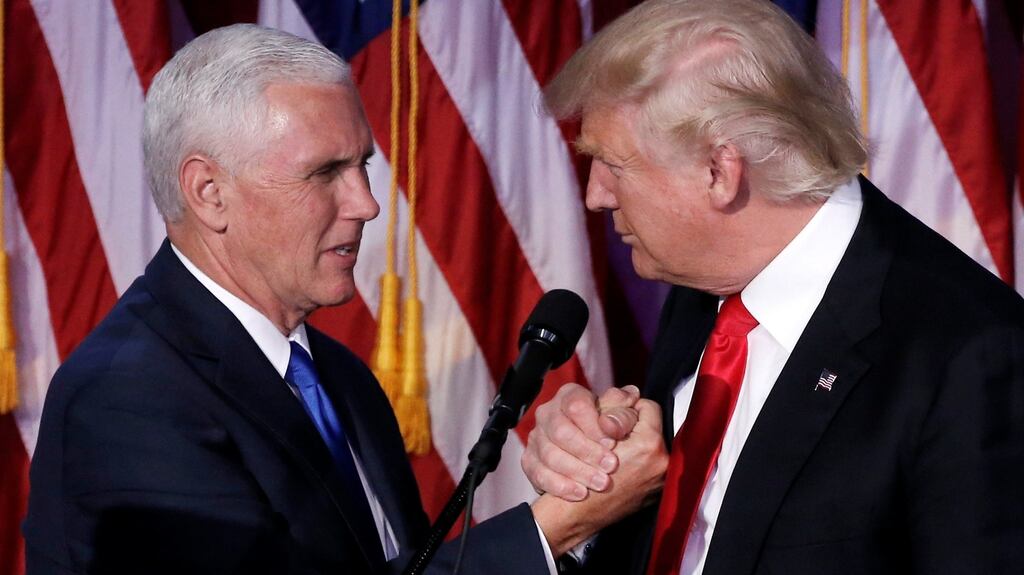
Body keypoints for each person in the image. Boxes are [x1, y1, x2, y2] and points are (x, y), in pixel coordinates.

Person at [22, 24, 666, 575]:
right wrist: (548, 531)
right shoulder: (126, 399)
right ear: (208, 192)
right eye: (324, 172)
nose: (366, 203)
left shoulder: (338, 377)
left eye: (362, 165)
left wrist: (587, 504)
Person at [520, 1, 1024, 574]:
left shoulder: (971, 357)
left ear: (719, 171)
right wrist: (590, 494)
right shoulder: (701, 285)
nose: (596, 196)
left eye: (612, 163)